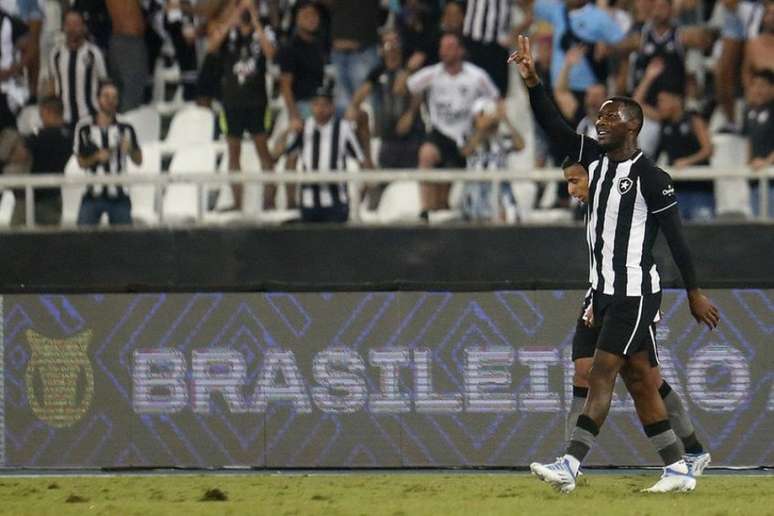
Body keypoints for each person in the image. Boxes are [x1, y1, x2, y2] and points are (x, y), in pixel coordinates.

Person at [509, 35, 719, 493]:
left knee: (602, 372)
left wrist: (694, 291)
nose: (600, 122)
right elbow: (554, 127)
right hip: (601, 293)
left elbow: (678, 240)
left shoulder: (651, 178)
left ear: (632, 126)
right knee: (642, 380)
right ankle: (682, 464)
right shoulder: (595, 161)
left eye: (610, 116)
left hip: (635, 293)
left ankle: (570, 463)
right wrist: (533, 82)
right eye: (599, 116)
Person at [562, 158, 711, 476]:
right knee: (583, 371)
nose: (571, 189)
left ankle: (693, 451)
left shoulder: (630, 195)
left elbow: (648, 250)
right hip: (599, 295)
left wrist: (686, 293)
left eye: (576, 181)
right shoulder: (594, 209)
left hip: (633, 296)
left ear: (598, 177)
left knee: (645, 379)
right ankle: (569, 461)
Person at [400, 32, 499, 219]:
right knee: (426, 155)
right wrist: (408, 69)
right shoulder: (432, 74)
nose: (443, 52)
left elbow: (497, 100)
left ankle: (444, 216)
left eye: (449, 47)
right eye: (441, 47)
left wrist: (485, 125)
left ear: (460, 50)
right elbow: (403, 88)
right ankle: (425, 212)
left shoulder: (477, 76)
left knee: (443, 202)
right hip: (440, 133)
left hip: (467, 137)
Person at [208, 0, 277, 212]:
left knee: (263, 152)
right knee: (233, 153)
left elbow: (271, 54)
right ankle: (237, 203)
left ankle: (269, 201)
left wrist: (255, 19)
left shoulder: (265, 30)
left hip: (256, 102)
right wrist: (232, 18)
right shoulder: (228, 31)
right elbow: (211, 47)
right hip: (232, 102)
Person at [346, 30, 422, 208]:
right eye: (388, 44)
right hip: (388, 136)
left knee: (411, 181)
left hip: (411, 136)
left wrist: (410, 114)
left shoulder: (408, 69)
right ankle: (372, 207)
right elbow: (359, 96)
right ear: (381, 49)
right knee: (382, 178)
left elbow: (419, 92)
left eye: (395, 43)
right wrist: (353, 108)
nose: (392, 48)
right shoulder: (377, 72)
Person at [635, 59, 715, 221]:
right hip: (677, 188)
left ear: (676, 100)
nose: (659, 105)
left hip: (700, 188)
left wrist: (688, 161)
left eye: (662, 101)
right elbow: (636, 104)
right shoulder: (663, 122)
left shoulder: (693, 119)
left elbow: (708, 149)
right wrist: (649, 78)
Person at [282, 82, 373, 223]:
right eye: (316, 104)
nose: (320, 109)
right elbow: (280, 156)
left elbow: (361, 159)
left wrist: (363, 190)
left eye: (324, 105)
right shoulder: (303, 128)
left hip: (336, 204)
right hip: (308, 204)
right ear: (311, 107)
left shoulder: (343, 128)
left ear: (332, 107)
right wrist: (286, 131)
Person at [74, 81, 142, 225]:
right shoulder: (84, 127)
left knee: (124, 241)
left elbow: (139, 160)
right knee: (81, 240)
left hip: (119, 194)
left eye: (114, 97)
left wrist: (130, 150)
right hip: (92, 193)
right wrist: (96, 158)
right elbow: (81, 162)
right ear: (98, 98)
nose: (110, 100)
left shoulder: (126, 126)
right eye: (106, 96)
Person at [460, 98, 525, 222]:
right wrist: (482, 129)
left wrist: (506, 119)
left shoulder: (501, 138)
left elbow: (520, 145)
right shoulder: (467, 136)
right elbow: (466, 151)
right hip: (476, 188)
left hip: (502, 189)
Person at [10, 96, 72, 226]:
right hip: (54, 195)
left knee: (16, 240)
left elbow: (19, 155)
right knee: (48, 241)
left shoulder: (39, 136)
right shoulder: (69, 135)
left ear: (47, 112)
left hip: (31, 196)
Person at [48, 10, 108, 129]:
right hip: (64, 118)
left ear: (84, 27)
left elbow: (104, 84)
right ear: (63, 27)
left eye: (76, 24)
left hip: (90, 116)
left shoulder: (94, 53)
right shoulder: (56, 54)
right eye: (68, 24)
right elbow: (52, 84)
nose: (72, 28)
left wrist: (104, 113)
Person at [323, 0, 383, 115]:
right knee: (342, 106)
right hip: (337, 52)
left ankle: (373, 132)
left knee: (367, 106)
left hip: (364, 50)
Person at [278, 1, 326, 134]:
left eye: (314, 15)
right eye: (306, 15)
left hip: (321, 102)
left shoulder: (318, 44)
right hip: (301, 105)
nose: (311, 18)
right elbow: (285, 86)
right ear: (297, 19)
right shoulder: (290, 48)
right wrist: (294, 115)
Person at [462, 0, 514, 95]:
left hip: (498, 44)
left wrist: (514, 32)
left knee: (497, 92)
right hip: (472, 40)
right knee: (470, 88)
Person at [106, 0, 148, 112]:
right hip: (128, 41)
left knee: (127, 90)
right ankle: (127, 125)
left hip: (125, 41)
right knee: (130, 92)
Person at [743, 69, 774, 217]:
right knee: (758, 228)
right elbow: (750, 139)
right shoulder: (749, 111)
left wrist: (767, 162)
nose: (757, 90)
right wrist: (749, 161)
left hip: (771, 177)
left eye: (762, 86)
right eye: (754, 85)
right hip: (755, 179)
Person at [742, 0, 774, 90]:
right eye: (768, 13)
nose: (772, 18)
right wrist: (751, 90)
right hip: (760, 96)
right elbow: (746, 72)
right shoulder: (753, 44)